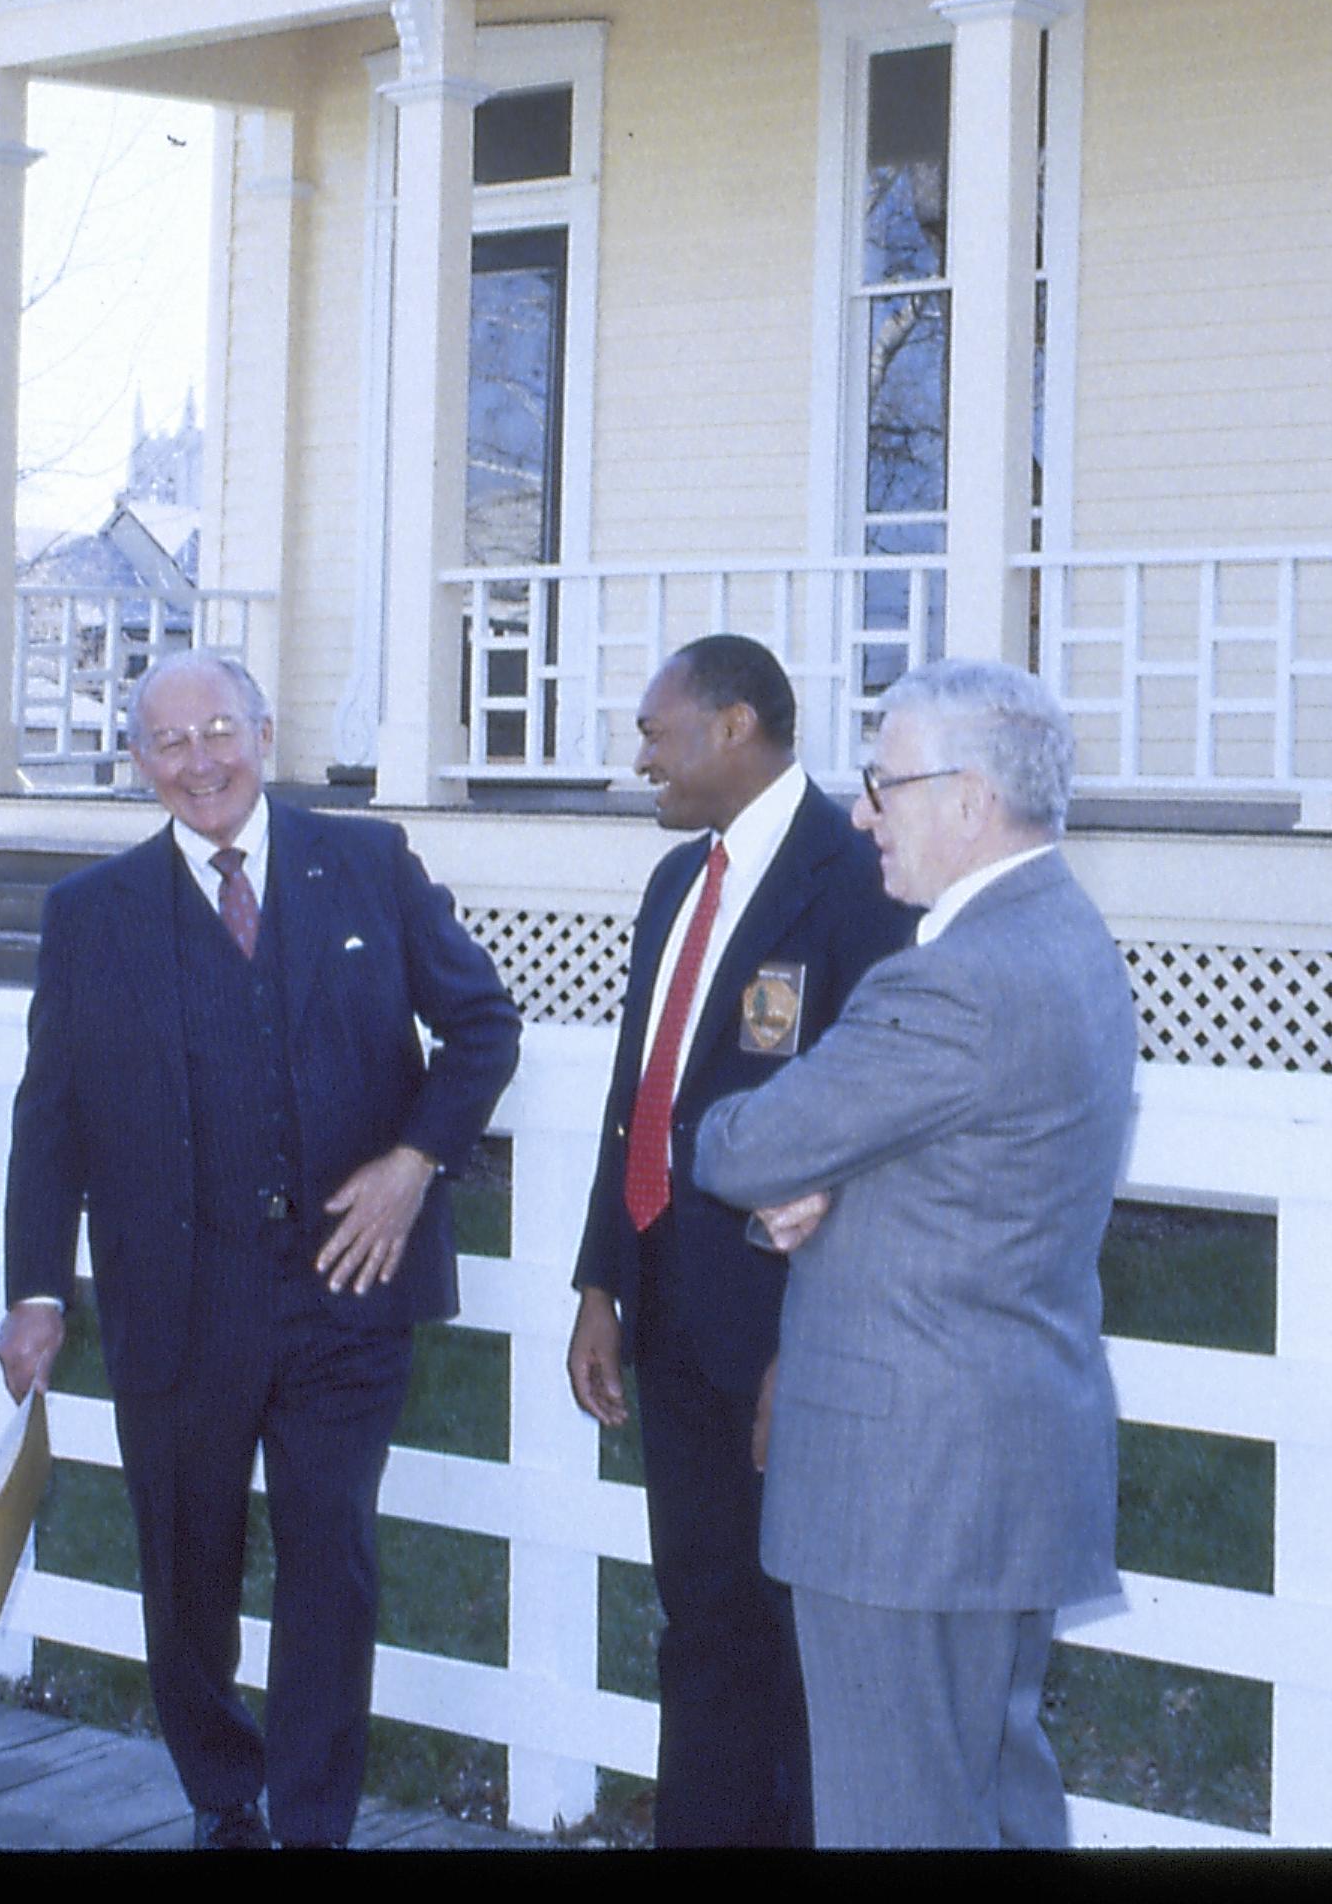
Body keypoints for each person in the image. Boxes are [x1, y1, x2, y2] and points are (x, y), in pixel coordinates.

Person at [0, 651, 520, 1849]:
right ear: (138, 766)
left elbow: (484, 1024)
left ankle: (315, 1822)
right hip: (177, 1299)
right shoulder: (92, 916)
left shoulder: (368, 865)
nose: (200, 763)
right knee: (187, 1572)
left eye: (218, 731)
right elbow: (51, 1118)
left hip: (346, 1291)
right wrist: (36, 1289)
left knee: (330, 1557)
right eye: (170, 744)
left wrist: (415, 1161)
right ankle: (223, 1794)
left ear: (264, 734)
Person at [694, 656, 1137, 1850]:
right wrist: (828, 1170)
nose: (859, 815)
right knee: (995, 1805)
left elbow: (737, 1143)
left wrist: (798, 1163)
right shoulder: (1071, 938)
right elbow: (959, 1161)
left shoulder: (952, 984)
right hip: (1003, 1464)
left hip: (908, 1497)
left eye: (883, 787)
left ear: (969, 800)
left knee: (900, 1820)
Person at [564, 635, 911, 1847]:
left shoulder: (858, 884)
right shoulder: (673, 886)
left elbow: (876, 1129)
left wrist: (806, 1344)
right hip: (669, 1319)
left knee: (802, 1640)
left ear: (734, 727)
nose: (640, 756)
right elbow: (637, 1100)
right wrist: (602, 1283)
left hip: (786, 1336)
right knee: (701, 1621)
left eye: (656, 731)